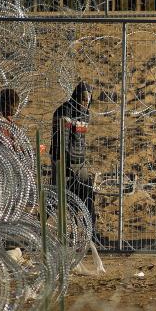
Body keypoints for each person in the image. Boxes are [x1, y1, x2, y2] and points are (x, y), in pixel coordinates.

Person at [51, 82, 96, 235]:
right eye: (84, 99)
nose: (86, 102)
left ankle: (90, 233)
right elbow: (61, 141)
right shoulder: (65, 112)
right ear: (76, 97)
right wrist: (65, 165)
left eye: (88, 100)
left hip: (79, 163)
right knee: (57, 197)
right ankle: (40, 228)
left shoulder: (85, 114)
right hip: (63, 162)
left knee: (87, 193)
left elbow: (80, 140)